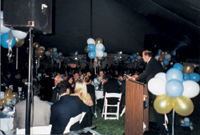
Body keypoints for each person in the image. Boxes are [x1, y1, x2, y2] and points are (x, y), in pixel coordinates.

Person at [132, 50, 167, 135]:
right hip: (156, 88)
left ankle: (161, 129)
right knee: (156, 108)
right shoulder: (152, 62)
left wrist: (136, 79)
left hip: (157, 89)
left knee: (157, 108)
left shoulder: (152, 62)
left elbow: (147, 73)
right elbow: (149, 73)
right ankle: (161, 126)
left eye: (143, 56)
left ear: (147, 56)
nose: (142, 57)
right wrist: (139, 76)